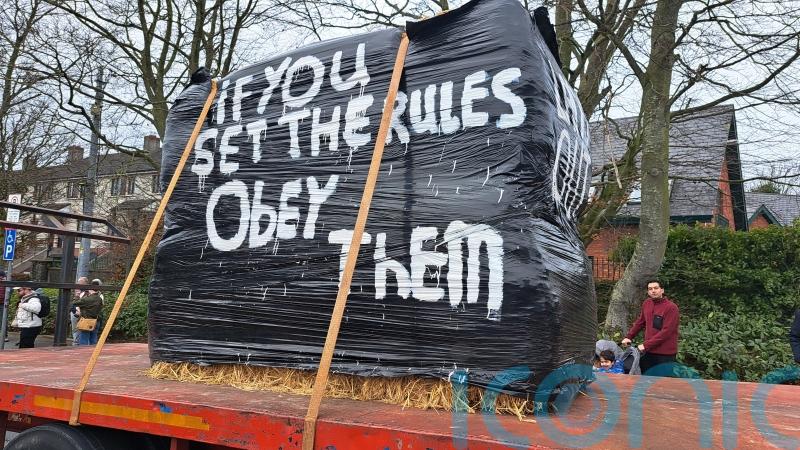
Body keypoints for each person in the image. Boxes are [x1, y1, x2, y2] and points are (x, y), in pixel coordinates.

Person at [621, 279, 679, 376]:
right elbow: (640, 322)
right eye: (650, 289)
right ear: (648, 292)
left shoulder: (671, 308)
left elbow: (666, 332)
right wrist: (629, 336)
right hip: (648, 352)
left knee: (662, 384)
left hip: (665, 354)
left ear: (662, 290)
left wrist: (646, 345)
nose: (653, 291)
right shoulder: (647, 303)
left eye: (656, 288)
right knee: (645, 380)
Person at [71, 277, 89, 346]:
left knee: (82, 328)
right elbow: (71, 301)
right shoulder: (75, 290)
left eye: (81, 282)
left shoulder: (88, 292)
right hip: (74, 312)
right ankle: (75, 342)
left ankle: (80, 342)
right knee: (74, 328)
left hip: (83, 313)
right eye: (78, 282)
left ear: (85, 283)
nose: (78, 283)